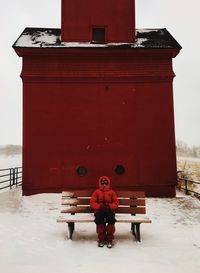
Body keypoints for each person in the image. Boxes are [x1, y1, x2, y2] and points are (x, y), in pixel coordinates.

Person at [90, 175, 119, 248]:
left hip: (109, 210)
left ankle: (109, 239)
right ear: (100, 184)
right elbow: (92, 202)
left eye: (105, 183)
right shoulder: (97, 192)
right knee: (99, 220)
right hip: (99, 211)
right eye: (102, 183)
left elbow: (116, 203)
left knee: (111, 220)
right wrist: (99, 206)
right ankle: (101, 238)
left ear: (108, 184)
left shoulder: (112, 192)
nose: (104, 185)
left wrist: (109, 206)